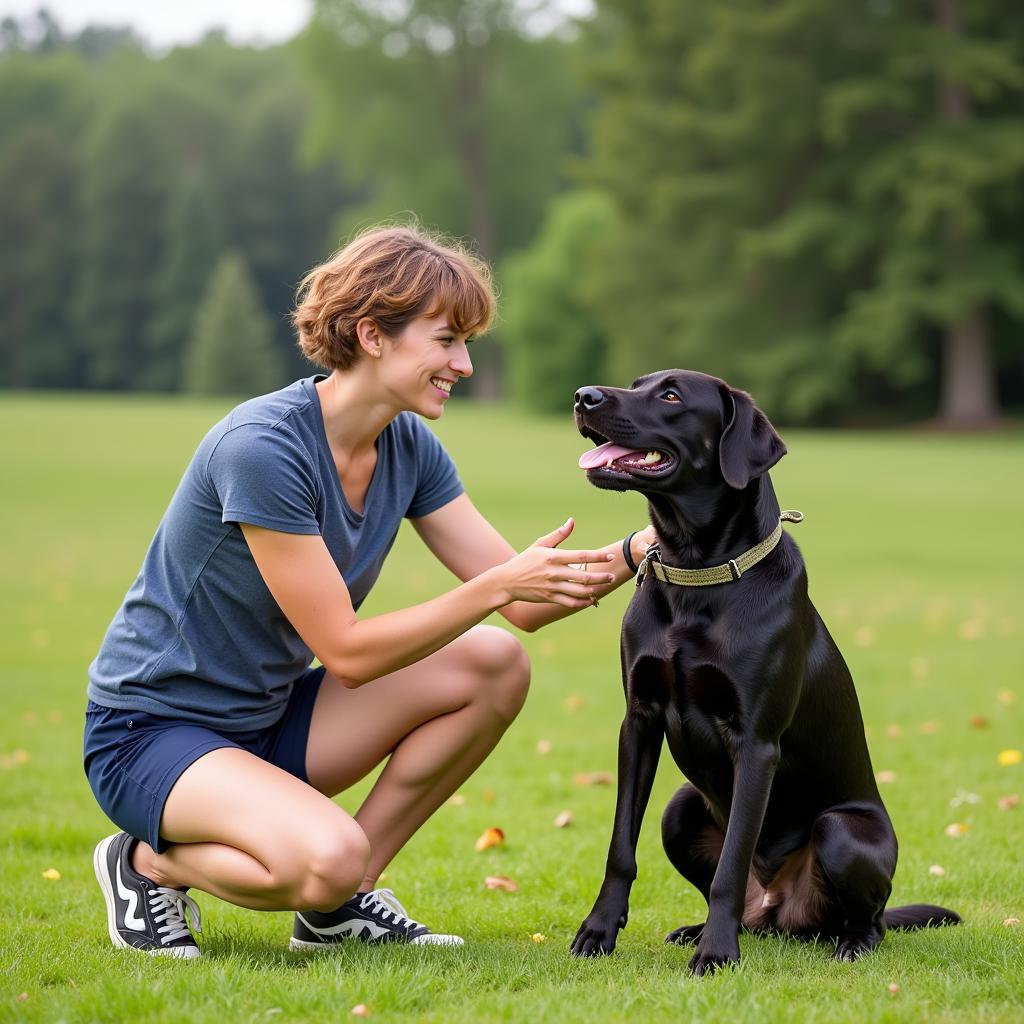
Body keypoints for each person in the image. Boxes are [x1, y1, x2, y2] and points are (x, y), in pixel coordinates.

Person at [84, 224, 655, 959]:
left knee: (494, 663)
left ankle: (340, 909)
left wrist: (641, 549)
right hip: (152, 734)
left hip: (269, 720)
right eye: (447, 340)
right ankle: (142, 864)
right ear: (372, 335)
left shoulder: (408, 447)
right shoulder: (262, 448)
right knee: (325, 856)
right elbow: (347, 653)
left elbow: (522, 604)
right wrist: (497, 585)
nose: (465, 364)